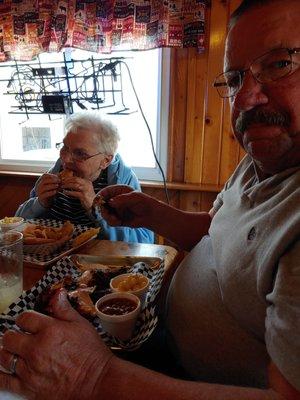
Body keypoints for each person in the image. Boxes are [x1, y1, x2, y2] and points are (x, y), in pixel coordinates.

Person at [0, 0, 299, 398]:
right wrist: (154, 212)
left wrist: (92, 375)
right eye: (235, 77)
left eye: (279, 64)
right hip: (149, 329)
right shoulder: (260, 161)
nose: (244, 98)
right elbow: (216, 231)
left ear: (105, 158)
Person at [15, 111, 154, 244]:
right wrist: (39, 203)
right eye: (65, 148)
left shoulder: (122, 183)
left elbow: (143, 241)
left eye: (80, 153)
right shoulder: (53, 173)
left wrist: (95, 208)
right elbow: (15, 224)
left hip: (100, 262)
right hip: (52, 259)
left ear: (105, 161)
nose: (66, 159)